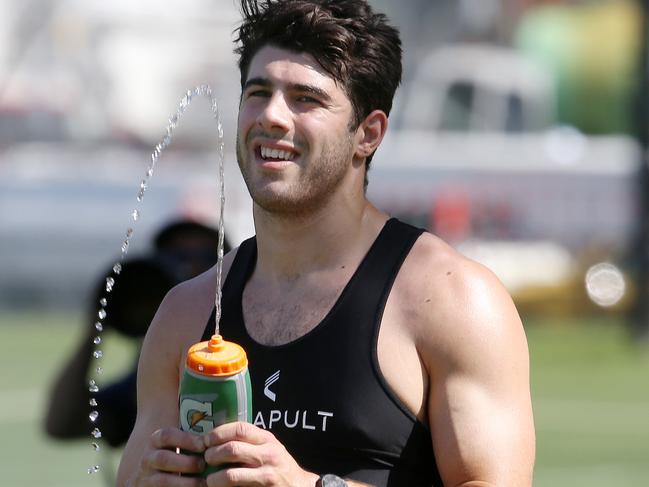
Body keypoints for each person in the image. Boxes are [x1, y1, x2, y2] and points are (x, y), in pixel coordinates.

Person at [117, 1, 536, 486]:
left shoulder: (451, 300)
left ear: (368, 134)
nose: (272, 116)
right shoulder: (185, 314)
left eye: (305, 99)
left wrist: (310, 486)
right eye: (258, 92)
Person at [45, 219, 229, 448]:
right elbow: (62, 424)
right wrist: (97, 326)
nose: (189, 269)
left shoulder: (249, 354)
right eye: (176, 257)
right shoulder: (156, 375)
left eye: (206, 258)